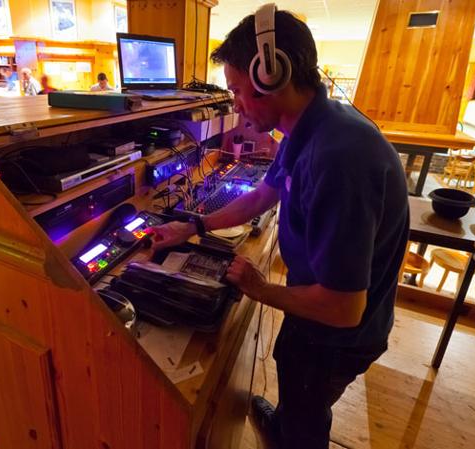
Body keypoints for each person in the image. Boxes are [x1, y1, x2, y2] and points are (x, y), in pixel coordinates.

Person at [148, 4, 409, 449]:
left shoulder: (338, 158)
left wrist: (260, 288)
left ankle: (294, 433)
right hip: (314, 309)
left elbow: (344, 308)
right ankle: (283, 424)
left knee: (308, 414)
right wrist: (192, 227)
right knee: (292, 371)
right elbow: (260, 196)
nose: (234, 103)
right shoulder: (308, 128)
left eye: (236, 90)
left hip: (338, 334)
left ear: (270, 76)